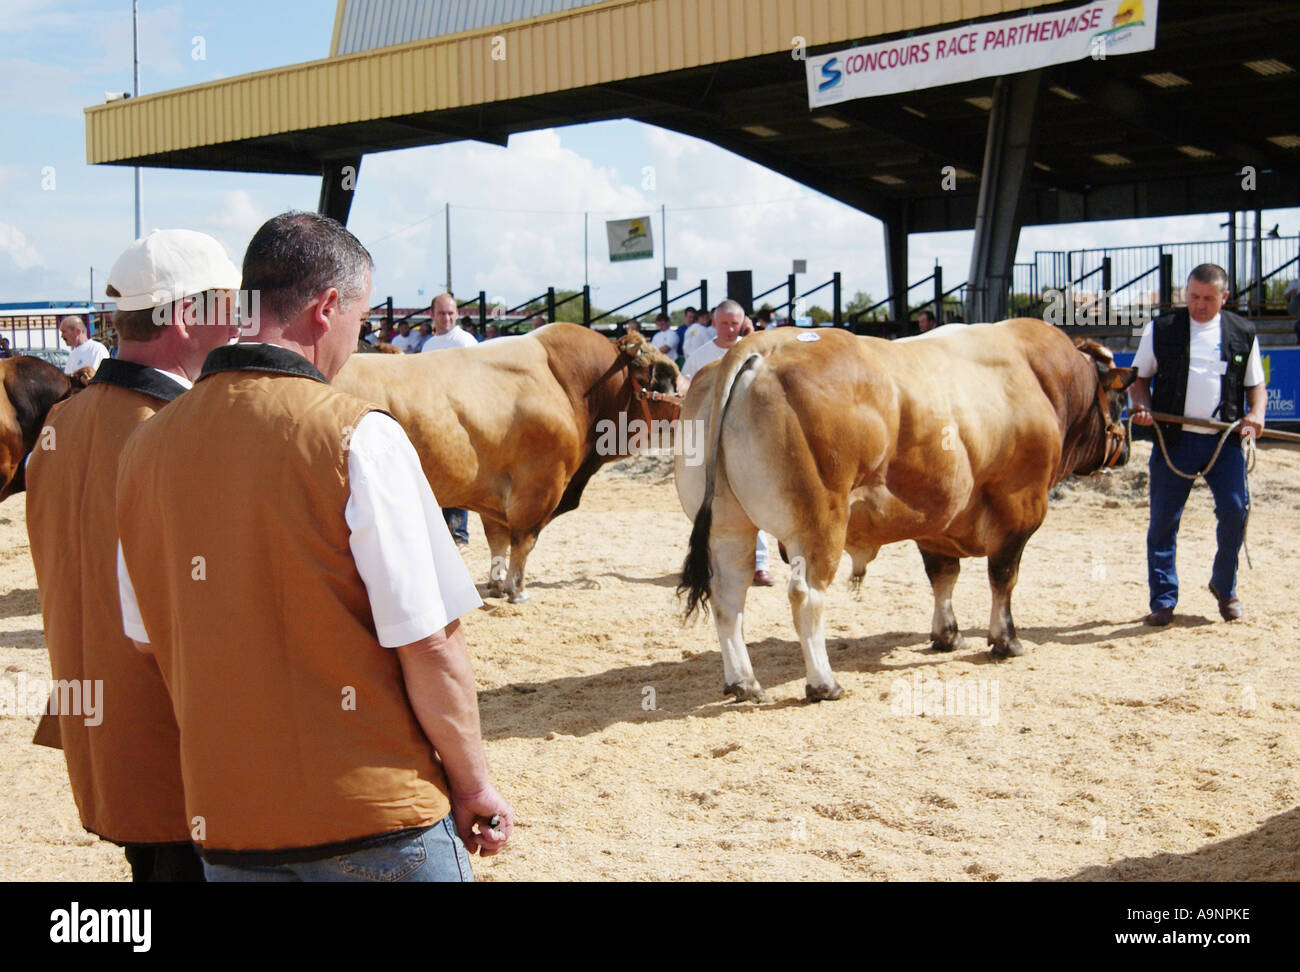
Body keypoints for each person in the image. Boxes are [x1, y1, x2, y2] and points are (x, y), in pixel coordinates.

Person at [115, 211, 512, 880]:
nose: (356, 342)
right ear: (327, 308)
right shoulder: (359, 436)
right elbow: (430, 641)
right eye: (359, 321)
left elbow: (146, 638)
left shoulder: (144, 446)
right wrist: (473, 783)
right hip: (375, 816)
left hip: (232, 825)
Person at [27, 228, 242, 882]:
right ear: (185, 316)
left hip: (106, 746)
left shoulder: (64, 422)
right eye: (227, 304)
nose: (239, 320)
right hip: (182, 754)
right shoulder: (185, 430)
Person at [1128, 263, 1267, 626]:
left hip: (1225, 441)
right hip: (1175, 441)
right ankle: (1163, 599)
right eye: (1193, 297)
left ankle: (1225, 586)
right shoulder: (1161, 330)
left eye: (1207, 298)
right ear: (1185, 294)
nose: (1199, 305)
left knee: (1236, 511)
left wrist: (1256, 414)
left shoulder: (1243, 331)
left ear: (1224, 297)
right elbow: (1139, 379)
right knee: (1163, 521)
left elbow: (1256, 387)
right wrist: (1140, 406)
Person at [678, 300, 774, 587]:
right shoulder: (700, 356)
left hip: (747, 436)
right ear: (714, 324)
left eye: (735, 323)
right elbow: (685, 389)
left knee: (753, 498)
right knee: (705, 498)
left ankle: (759, 565)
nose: (730, 329)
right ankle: (709, 559)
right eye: (724, 324)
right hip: (706, 433)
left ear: (743, 322)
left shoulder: (756, 351)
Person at [421, 293, 477, 549]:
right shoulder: (428, 345)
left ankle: (459, 534)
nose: (447, 318)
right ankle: (444, 535)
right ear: (431, 315)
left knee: (453, 473)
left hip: (459, 418)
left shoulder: (465, 342)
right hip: (433, 416)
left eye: (451, 313)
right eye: (442, 313)